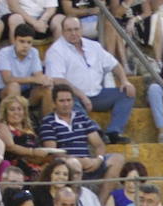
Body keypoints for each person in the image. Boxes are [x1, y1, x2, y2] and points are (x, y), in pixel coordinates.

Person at [43, 16, 133, 144]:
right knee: (69, 101)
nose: (73, 33)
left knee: (127, 93)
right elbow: (57, 79)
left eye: (76, 29)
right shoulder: (56, 51)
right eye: (69, 30)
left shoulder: (94, 46)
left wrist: (124, 81)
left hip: (97, 94)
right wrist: (81, 95)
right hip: (75, 97)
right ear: (63, 32)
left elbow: (114, 64)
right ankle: (96, 132)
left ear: (82, 29)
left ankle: (114, 132)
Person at [39, 83, 124, 202]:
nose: (66, 104)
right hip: (66, 163)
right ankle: (75, 204)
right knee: (74, 163)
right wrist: (79, 160)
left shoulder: (81, 117)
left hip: (89, 162)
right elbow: (53, 152)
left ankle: (101, 204)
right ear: (54, 103)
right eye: (62, 101)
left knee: (118, 159)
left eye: (69, 100)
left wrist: (98, 159)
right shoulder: (48, 122)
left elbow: (99, 145)